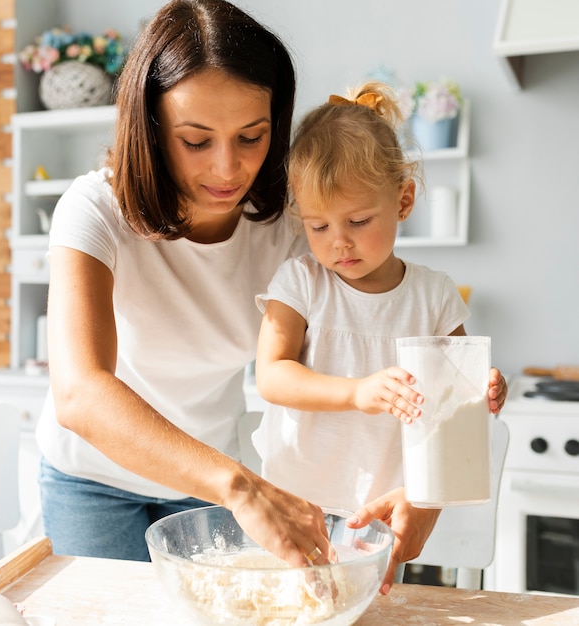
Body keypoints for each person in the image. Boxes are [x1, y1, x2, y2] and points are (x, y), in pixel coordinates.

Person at [36, 0, 335, 569]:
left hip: (206, 482)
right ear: (148, 129)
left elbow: (338, 359)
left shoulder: (291, 227)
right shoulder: (94, 210)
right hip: (93, 479)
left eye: (252, 137)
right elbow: (79, 392)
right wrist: (241, 486)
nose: (227, 169)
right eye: (196, 141)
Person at [253, 81, 508, 593]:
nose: (338, 242)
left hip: (382, 510)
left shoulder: (433, 294)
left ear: (404, 199)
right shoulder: (300, 281)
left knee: (369, 611)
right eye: (318, 226)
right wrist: (356, 392)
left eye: (359, 220)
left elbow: (457, 388)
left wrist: (484, 388)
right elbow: (272, 375)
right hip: (294, 503)